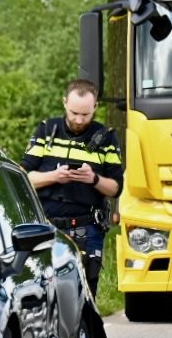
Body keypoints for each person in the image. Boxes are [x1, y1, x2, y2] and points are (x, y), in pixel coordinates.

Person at [23, 80, 124, 296]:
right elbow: (23, 178)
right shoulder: (46, 130)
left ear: (95, 107)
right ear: (64, 103)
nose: (79, 120)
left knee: (85, 292)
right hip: (47, 227)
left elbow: (116, 188)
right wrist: (54, 176)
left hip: (87, 229)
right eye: (74, 113)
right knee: (45, 292)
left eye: (85, 114)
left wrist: (93, 179)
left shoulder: (106, 138)